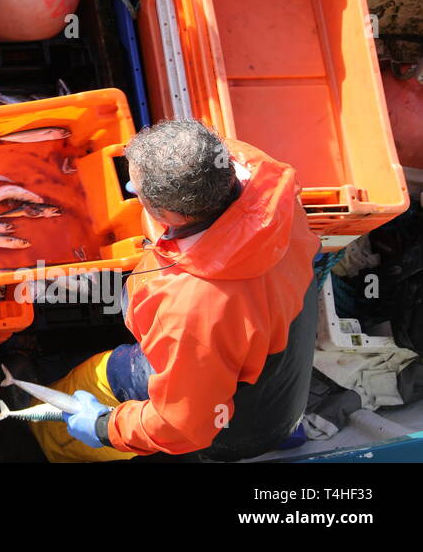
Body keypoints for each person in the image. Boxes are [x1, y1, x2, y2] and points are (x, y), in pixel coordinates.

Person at [30, 118, 320, 462]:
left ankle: (42, 438)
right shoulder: (264, 176)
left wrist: (104, 427)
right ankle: (281, 430)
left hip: (230, 425)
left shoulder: (192, 308)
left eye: (135, 189)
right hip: (279, 368)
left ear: (168, 213)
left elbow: (183, 425)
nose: (129, 189)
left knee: (91, 388)